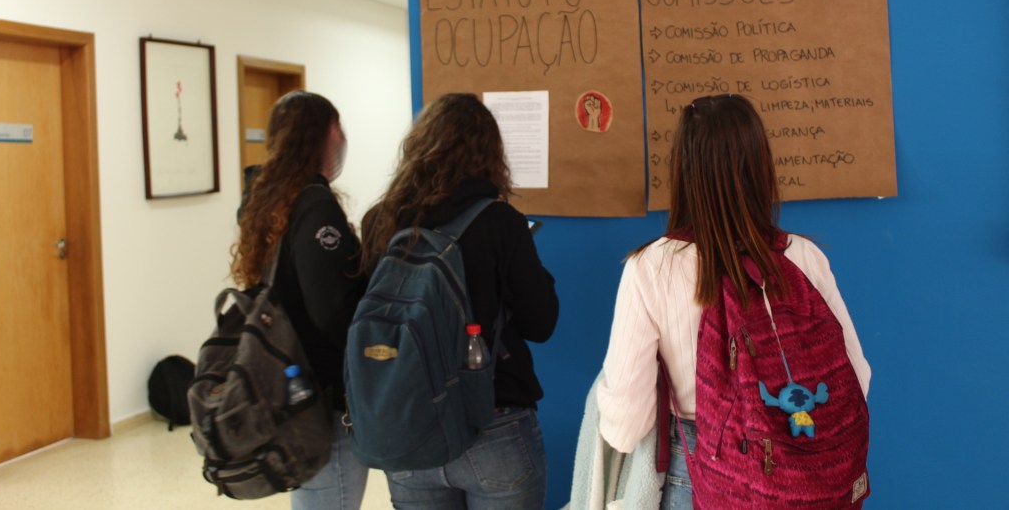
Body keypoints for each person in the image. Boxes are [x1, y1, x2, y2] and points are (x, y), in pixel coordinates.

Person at [595, 94, 871, 509]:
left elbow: (625, 425)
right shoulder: (802, 256)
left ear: (683, 169)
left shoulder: (651, 268)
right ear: (761, 165)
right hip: (811, 472)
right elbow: (856, 378)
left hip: (706, 473)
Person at [360, 92, 559, 510]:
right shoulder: (501, 221)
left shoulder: (380, 220)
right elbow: (541, 323)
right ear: (491, 154)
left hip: (409, 420)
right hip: (494, 416)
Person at [231, 90, 369, 510]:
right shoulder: (314, 205)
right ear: (323, 133)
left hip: (289, 381)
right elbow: (332, 311)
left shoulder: (265, 199)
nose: (343, 137)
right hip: (321, 393)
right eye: (338, 127)